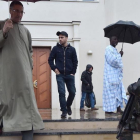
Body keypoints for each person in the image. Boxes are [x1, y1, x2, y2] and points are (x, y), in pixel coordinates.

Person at [0, 1, 44, 139]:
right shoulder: (1, 24)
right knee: (6, 102)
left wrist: (29, 65)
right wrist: (4, 31)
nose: (19, 14)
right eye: (16, 11)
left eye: (21, 11)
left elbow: (30, 51)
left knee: (27, 106)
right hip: (7, 75)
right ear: (10, 10)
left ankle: (28, 135)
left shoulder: (26, 31)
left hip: (24, 76)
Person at [48, 31, 78, 118]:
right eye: (59, 37)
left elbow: (75, 61)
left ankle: (68, 105)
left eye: (62, 37)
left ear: (66, 38)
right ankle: (64, 111)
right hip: (60, 75)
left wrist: (73, 72)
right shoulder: (55, 49)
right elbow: (50, 60)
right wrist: (54, 69)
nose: (60, 39)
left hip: (70, 75)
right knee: (61, 92)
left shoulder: (72, 50)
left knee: (72, 92)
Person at [103, 36, 127, 115]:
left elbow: (118, 61)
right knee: (111, 94)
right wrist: (119, 55)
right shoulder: (108, 49)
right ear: (110, 40)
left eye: (117, 39)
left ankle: (119, 109)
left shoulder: (115, 50)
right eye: (114, 39)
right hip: (110, 76)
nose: (116, 41)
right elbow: (113, 61)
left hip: (116, 76)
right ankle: (108, 110)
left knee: (118, 93)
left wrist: (120, 55)